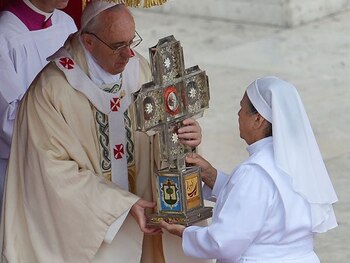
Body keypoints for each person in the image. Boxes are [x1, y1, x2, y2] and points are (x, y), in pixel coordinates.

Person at [0, 1, 206, 262]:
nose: (128, 54)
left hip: (146, 226)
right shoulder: (51, 91)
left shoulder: (139, 70)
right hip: (90, 235)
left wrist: (185, 138)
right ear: (88, 42)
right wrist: (120, 206)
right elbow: (52, 173)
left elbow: (161, 137)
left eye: (132, 42)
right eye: (118, 46)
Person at [160, 76, 338, 263]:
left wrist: (184, 232)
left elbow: (223, 243)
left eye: (242, 109)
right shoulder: (297, 162)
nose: (238, 114)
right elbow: (265, 204)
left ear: (258, 119)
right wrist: (210, 175)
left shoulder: (254, 172)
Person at [0, 0, 77, 210]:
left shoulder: (67, 24)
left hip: (68, 166)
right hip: (20, 169)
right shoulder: (5, 34)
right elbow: (10, 118)